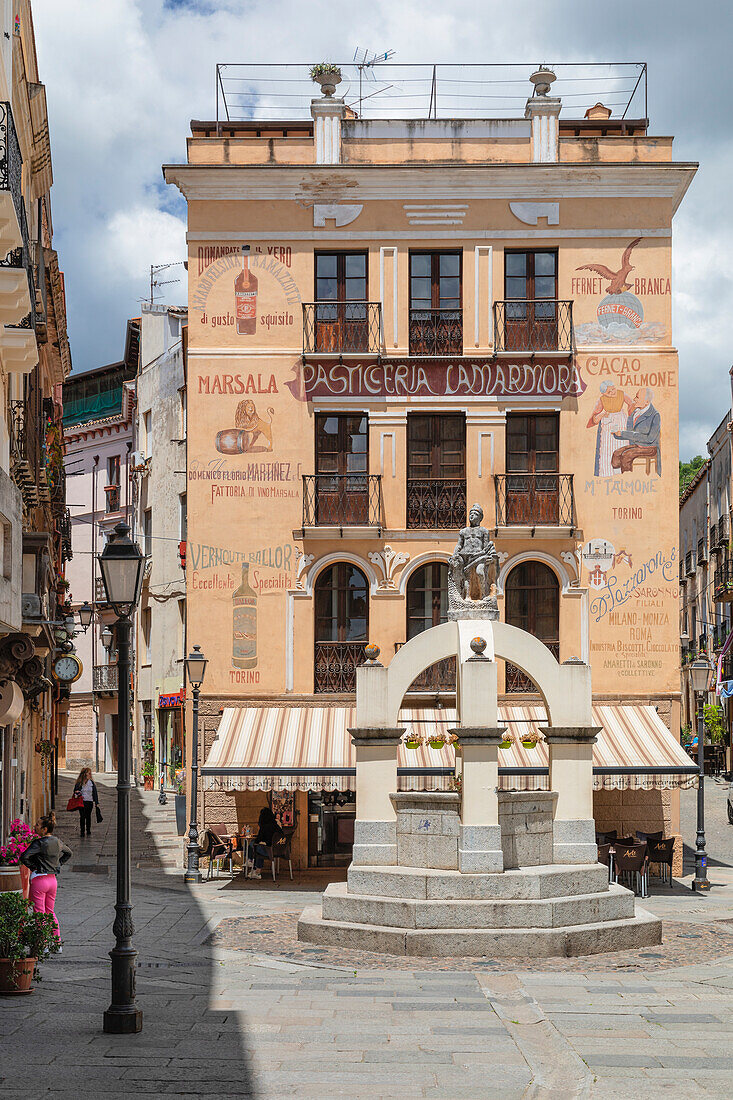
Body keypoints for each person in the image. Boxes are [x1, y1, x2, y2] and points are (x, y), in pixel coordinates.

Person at [20, 811, 72, 948]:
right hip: (52, 881)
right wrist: (58, 864)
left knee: (39, 913)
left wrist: (34, 867)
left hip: (40, 880)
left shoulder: (39, 843)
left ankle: (42, 945)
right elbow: (68, 853)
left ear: (44, 829)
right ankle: (57, 943)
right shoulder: (57, 841)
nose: (35, 826)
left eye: (37, 825)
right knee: (50, 912)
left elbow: (24, 857)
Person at [247, 806, 283, 880]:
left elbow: (258, 840)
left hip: (269, 852)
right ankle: (256, 871)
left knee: (253, 844)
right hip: (278, 851)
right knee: (259, 847)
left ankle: (251, 862)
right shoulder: (276, 825)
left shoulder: (264, 827)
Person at [73, 767, 99, 838]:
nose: (90, 774)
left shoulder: (91, 783)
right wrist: (77, 793)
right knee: (82, 816)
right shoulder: (79, 783)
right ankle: (82, 831)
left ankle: (88, 830)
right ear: (85, 774)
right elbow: (75, 791)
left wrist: (96, 802)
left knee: (88, 816)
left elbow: (95, 793)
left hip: (89, 802)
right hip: (81, 802)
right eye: (89, 773)